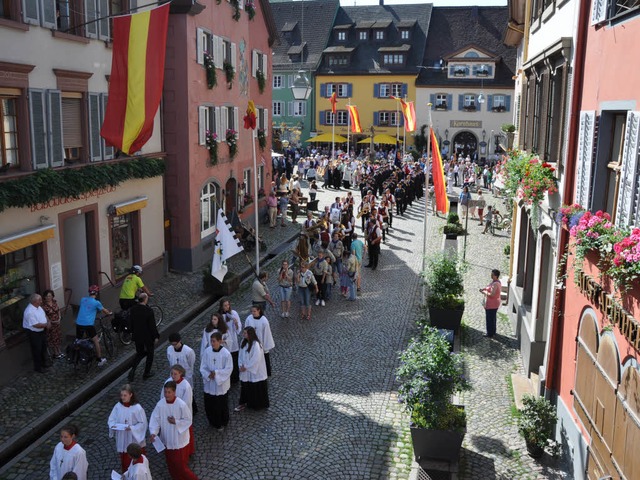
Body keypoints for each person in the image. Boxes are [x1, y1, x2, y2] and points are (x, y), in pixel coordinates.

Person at [149, 381, 197, 480]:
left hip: (179, 441)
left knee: (181, 466)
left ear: (174, 392)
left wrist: (176, 422)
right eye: (165, 392)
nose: (167, 394)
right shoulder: (160, 404)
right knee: (171, 465)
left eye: (169, 392)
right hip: (167, 440)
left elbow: (188, 420)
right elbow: (155, 419)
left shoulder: (181, 405)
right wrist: (154, 432)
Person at [107, 384, 147, 473]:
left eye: (125, 395)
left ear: (131, 395)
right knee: (124, 462)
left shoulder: (137, 408)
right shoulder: (118, 406)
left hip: (133, 438)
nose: (123, 398)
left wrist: (132, 428)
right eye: (121, 395)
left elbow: (143, 424)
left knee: (134, 463)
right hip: (122, 437)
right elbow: (111, 419)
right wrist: (113, 425)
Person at [200, 332, 233, 430]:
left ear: (219, 341)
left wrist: (217, 373)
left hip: (220, 385)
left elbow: (229, 369)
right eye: (211, 341)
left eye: (214, 341)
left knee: (220, 405)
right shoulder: (207, 351)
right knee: (210, 404)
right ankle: (212, 421)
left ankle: (222, 421)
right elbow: (203, 366)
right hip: (209, 383)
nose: (212, 343)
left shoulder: (226, 354)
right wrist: (208, 374)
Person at [161, 365, 194, 456]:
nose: (173, 376)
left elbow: (186, 403)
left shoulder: (185, 385)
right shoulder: (168, 382)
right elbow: (162, 397)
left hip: (181, 415)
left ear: (181, 373)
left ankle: (188, 451)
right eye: (171, 373)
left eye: (175, 374)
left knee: (184, 434)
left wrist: (176, 415)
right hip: (169, 412)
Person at [76, 285, 111, 367]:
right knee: (95, 340)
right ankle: (99, 359)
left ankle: (77, 356)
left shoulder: (83, 299)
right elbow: (104, 311)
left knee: (78, 340)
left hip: (79, 323)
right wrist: (109, 313)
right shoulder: (96, 303)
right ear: (97, 293)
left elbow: (86, 309)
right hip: (88, 324)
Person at [235, 326, 269, 412]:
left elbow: (255, 359)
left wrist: (246, 367)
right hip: (245, 370)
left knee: (255, 388)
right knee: (245, 386)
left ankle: (257, 405)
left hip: (254, 371)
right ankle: (245, 403)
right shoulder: (243, 342)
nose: (243, 334)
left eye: (245, 333)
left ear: (250, 334)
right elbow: (240, 355)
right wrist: (240, 365)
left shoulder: (256, 344)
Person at [127, 293, 159, 381]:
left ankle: (133, 370)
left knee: (139, 353)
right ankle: (146, 373)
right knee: (150, 354)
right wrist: (155, 336)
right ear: (145, 299)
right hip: (147, 336)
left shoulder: (133, 309)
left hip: (137, 336)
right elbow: (152, 326)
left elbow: (130, 323)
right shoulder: (148, 310)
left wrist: (132, 332)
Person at [244, 305, 275, 376]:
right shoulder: (249, 319)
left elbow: (267, 334)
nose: (253, 313)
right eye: (252, 311)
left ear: (259, 311)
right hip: (251, 343)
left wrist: (265, 347)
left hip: (261, 343)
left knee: (263, 359)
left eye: (254, 311)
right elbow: (246, 330)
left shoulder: (264, 321)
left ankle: (266, 372)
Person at [23, 293, 50, 373]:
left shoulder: (38, 307)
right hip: (34, 333)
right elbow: (36, 325)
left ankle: (44, 363)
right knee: (37, 350)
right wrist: (46, 325)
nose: (41, 301)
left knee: (43, 348)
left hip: (41, 331)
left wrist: (48, 321)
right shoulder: (29, 312)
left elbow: (44, 315)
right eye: (40, 300)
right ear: (34, 301)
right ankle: (38, 367)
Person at [218, 298, 242, 384]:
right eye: (225, 305)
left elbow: (238, 329)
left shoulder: (233, 313)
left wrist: (235, 323)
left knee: (234, 359)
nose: (227, 307)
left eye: (228, 305)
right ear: (221, 306)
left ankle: (234, 378)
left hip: (233, 341)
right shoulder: (219, 316)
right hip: (224, 341)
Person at [480, 269, 502, 338]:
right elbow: (488, 288)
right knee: (492, 318)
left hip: (492, 304)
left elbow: (492, 294)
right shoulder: (495, 282)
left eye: (492, 274)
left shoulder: (495, 284)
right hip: (492, 303)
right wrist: (484, 289)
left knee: (489, 318)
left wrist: (484, 292)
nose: (491, 275)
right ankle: (493, 331)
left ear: (496, 276)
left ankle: (490, 333)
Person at [42, 289, 63, 359]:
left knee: (58, 337)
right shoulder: (44, 306)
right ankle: (55, 353)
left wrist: (59, 318)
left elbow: (58, 310)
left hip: (57, 324)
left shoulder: (54, 302)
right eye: (47, 296)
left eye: (50, 296)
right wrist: (52, 321)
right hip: (51, 325)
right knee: (53, 338)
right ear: (44, 297)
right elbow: (45, 316)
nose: (49, 297)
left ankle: (59, 351)